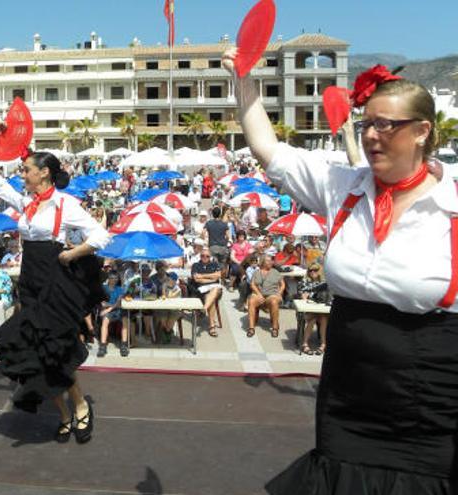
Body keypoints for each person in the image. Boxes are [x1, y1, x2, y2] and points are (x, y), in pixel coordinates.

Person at [227, 53, 458, 491]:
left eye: (386, 125)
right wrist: (243, 82)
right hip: (348, 390)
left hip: (434, 398)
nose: (371, 135)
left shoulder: (453, 203)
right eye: (365, 124)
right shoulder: (344, 186)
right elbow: (267, 149)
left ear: (423, 131)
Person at [0, 130, 110, 444]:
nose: (21, 173)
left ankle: (80, 404)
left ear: (44, 173)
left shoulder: (64, 204)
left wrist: (73, 253)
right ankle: (66, 413)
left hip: (55, 280)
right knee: (38, 351)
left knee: (56, 348)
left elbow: (100, 236)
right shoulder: (25, 200)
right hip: (30, 281)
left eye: (26, 169)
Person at [297, 263, 330, 355]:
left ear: (320, 271)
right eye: (310, 270)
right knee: (313, 318)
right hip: (307, 310)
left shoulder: (324, 284)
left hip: (321, 310)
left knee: (324, 318)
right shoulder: (303, 282)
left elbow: (327, 297)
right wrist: (309, 296)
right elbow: (303, 296)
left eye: (315, 270)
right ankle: (305, 344)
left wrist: (310, 295)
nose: (312, 272)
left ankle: (323, 344)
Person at [190, 248, 222, 336]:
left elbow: (218, 275)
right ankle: (212, 326)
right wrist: (211, 279)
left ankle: (204, 309)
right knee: (211, 299)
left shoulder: (214, 264)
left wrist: (203, 276)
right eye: (203, 256)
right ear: (200, 256)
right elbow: (196, 279)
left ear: (210, 257)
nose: (205, 257)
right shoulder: (196, 265)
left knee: (215, 290)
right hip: (202, 289)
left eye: (207, 256)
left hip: (215, 288)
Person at [97, 271, 126, 358]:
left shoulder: (120, 289)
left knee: (125, 320)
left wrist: (108, 308)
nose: (114, 280)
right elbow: (102, 303)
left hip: (116, 310)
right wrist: (110, 306)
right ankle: (102, 345)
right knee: (105, 321)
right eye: (112, 278)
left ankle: (124, 344)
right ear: (108, 279)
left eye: (116, 278)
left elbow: (119, 304)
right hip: (109, 311)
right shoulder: (103, 288)